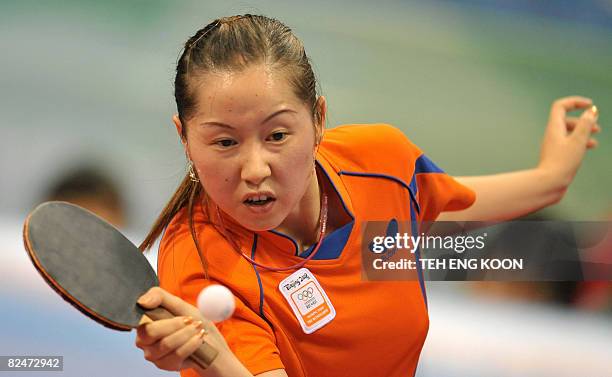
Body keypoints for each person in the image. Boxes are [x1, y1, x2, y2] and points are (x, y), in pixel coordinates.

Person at [134, 14, 601, 377]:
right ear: (184, 138)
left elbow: (495, 198)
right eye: (224, 142)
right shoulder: (200, 260)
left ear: (318, 119)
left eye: (277, 135)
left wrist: (556, 170)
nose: (255, 169)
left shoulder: (379, 166)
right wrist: (217, 361)